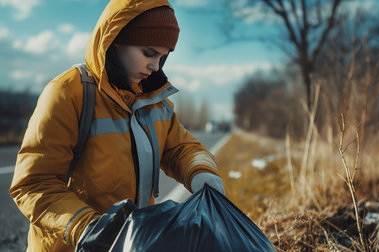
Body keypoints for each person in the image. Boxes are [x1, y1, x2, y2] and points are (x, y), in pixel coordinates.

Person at [9, 0, 226, 251]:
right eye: (149, 53)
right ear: (115, 39)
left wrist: (203, 174)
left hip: (132, 243)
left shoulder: (155, 102)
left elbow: (180, 148)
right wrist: (87, 227)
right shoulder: (68, 93)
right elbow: (33, 184)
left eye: (163, 57)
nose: (156, 66)